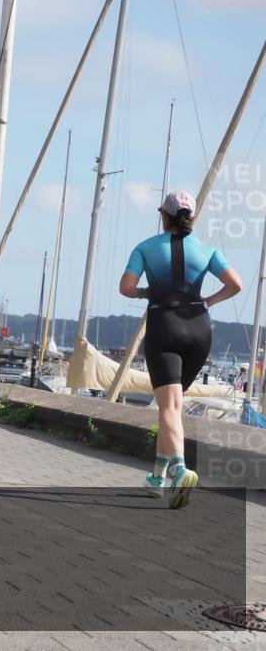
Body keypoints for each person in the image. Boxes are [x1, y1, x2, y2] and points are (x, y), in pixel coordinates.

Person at [119, 191, 241, 509]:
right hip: (199, 330)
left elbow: (126, 287)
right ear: (192, 219)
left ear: (164, 216)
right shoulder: (208, 250)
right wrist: (210, 301)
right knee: (172, 404)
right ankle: (157, 478)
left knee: (169, 407)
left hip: (165, 323)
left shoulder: (146, 247)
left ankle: (180, 467)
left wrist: (146, 291)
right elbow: (236, 284)